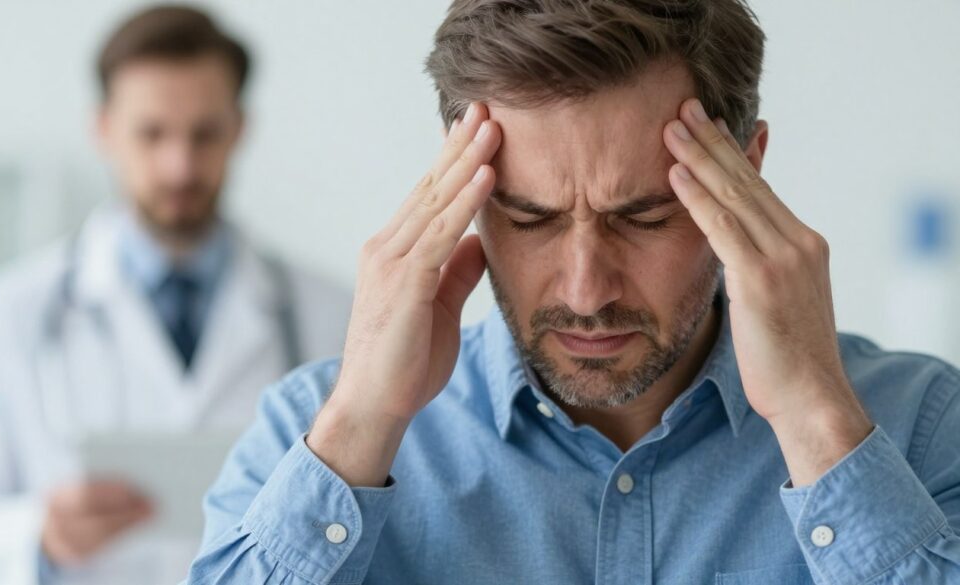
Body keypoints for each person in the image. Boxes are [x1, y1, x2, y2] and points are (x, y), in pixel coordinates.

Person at [188, 0, 960, 583]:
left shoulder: (921, 428)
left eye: (645, 216)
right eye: (530, 218)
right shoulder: (310, 436)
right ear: (456, 186)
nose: (587, 290)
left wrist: (817, 424)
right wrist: (360, 426)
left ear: (747, 174)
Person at [0, 5, 351, 585]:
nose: (179, 166)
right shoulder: (5, 315)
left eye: (203, 134)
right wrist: (37, 534)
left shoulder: (328, 314)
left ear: (238, 128)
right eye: (152, 133)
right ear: (103, 129)